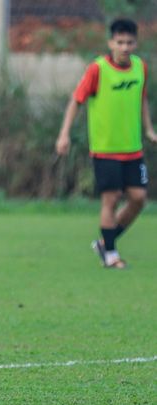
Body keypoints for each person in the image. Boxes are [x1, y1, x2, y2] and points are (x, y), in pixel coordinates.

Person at [56, 18, 154, 269]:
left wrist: (149, 129)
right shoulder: (98, 69)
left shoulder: (140, 68)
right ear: (111, 42)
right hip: (106, 149)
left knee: (138, 198)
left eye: (129, 42)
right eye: (119, 42)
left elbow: (142, 100)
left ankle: (104, 242)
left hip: (133, 148)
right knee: (110, 200)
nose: (124, 47)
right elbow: (76, 100)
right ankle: (111, 255)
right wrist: (64, 134)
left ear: (135, 43)